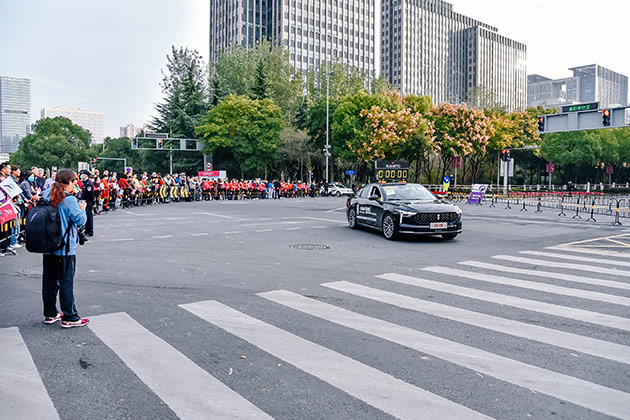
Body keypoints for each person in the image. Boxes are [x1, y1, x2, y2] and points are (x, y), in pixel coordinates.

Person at [42, 169, 89, 328]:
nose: (75, 183)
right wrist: (82, 208)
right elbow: (80, 220)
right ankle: (70, 316)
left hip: (47, 245)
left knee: (49, 281)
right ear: (68, 182)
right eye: (74, 180)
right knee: (66, 282)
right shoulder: (68, 200)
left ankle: (50, 313)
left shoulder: (46, 194)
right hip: (64, 247)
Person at [79, 170, 95, 236]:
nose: (81, 175)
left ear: (86, 175)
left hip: (88, 202)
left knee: (89, 216)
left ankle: (90, 231)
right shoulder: (84, 183)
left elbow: (91, 194)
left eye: (83, 174)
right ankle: (86, 230)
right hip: (84, 202)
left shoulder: (89, 183)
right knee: (86, 216)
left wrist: (92, 202)